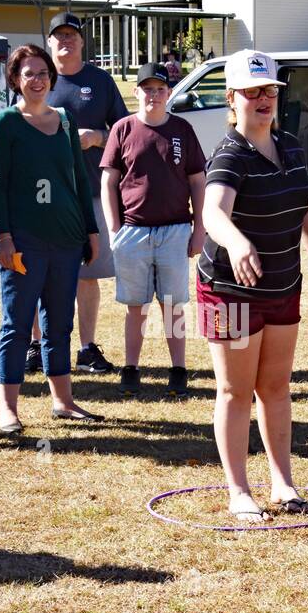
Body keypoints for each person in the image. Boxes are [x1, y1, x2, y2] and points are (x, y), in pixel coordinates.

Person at [195, 50, 308, 521]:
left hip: (281, 283)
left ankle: (283, 484)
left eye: (269, 90)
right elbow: (213, 212)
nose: (262, 99)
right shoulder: (230, 154)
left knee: (275, 387)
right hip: (228, 290)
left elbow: (303, 207)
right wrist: (236, 243)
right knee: (235, 390)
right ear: (231, 99)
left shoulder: (291, 146)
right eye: (251, 92)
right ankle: (238, 491)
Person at [0, 44, 101, 434]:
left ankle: (63, 401)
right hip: (24, 241)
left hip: (67, 238)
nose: (37, 80)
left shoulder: (66, 121)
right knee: (17, 323)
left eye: (42, 72)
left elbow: (79, 179)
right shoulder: (7, 121)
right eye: (28, 73)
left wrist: (91, 230)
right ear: (16, 80)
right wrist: (4, 236)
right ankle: (8, 408)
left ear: (52, 77)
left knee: (60, 324)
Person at [31, 11, 129, 376]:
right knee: (39, 271)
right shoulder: (39, 79)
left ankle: (87, 349)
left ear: (82, 41)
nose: (65, 41)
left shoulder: (99, 81)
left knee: (88, 273)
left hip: (89, 192)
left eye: (72, 35)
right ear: (50, 42)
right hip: (43, 194)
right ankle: (35, 344)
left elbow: (123, 129)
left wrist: (98, 137)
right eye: (59, 36)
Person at [101, 62, 206, 397]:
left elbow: (197, 182)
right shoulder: (122, 129)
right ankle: (131, 368)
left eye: (160, 89)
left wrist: (200, 228)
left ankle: (178, 369)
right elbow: (108, 181)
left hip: (175, 230)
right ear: (136, 92)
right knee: (136, 306)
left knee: (173, 305)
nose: (154, 95)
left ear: (169, 93)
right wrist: (114, 229)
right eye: (147, 89)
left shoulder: (182, 130)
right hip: (133, 231)